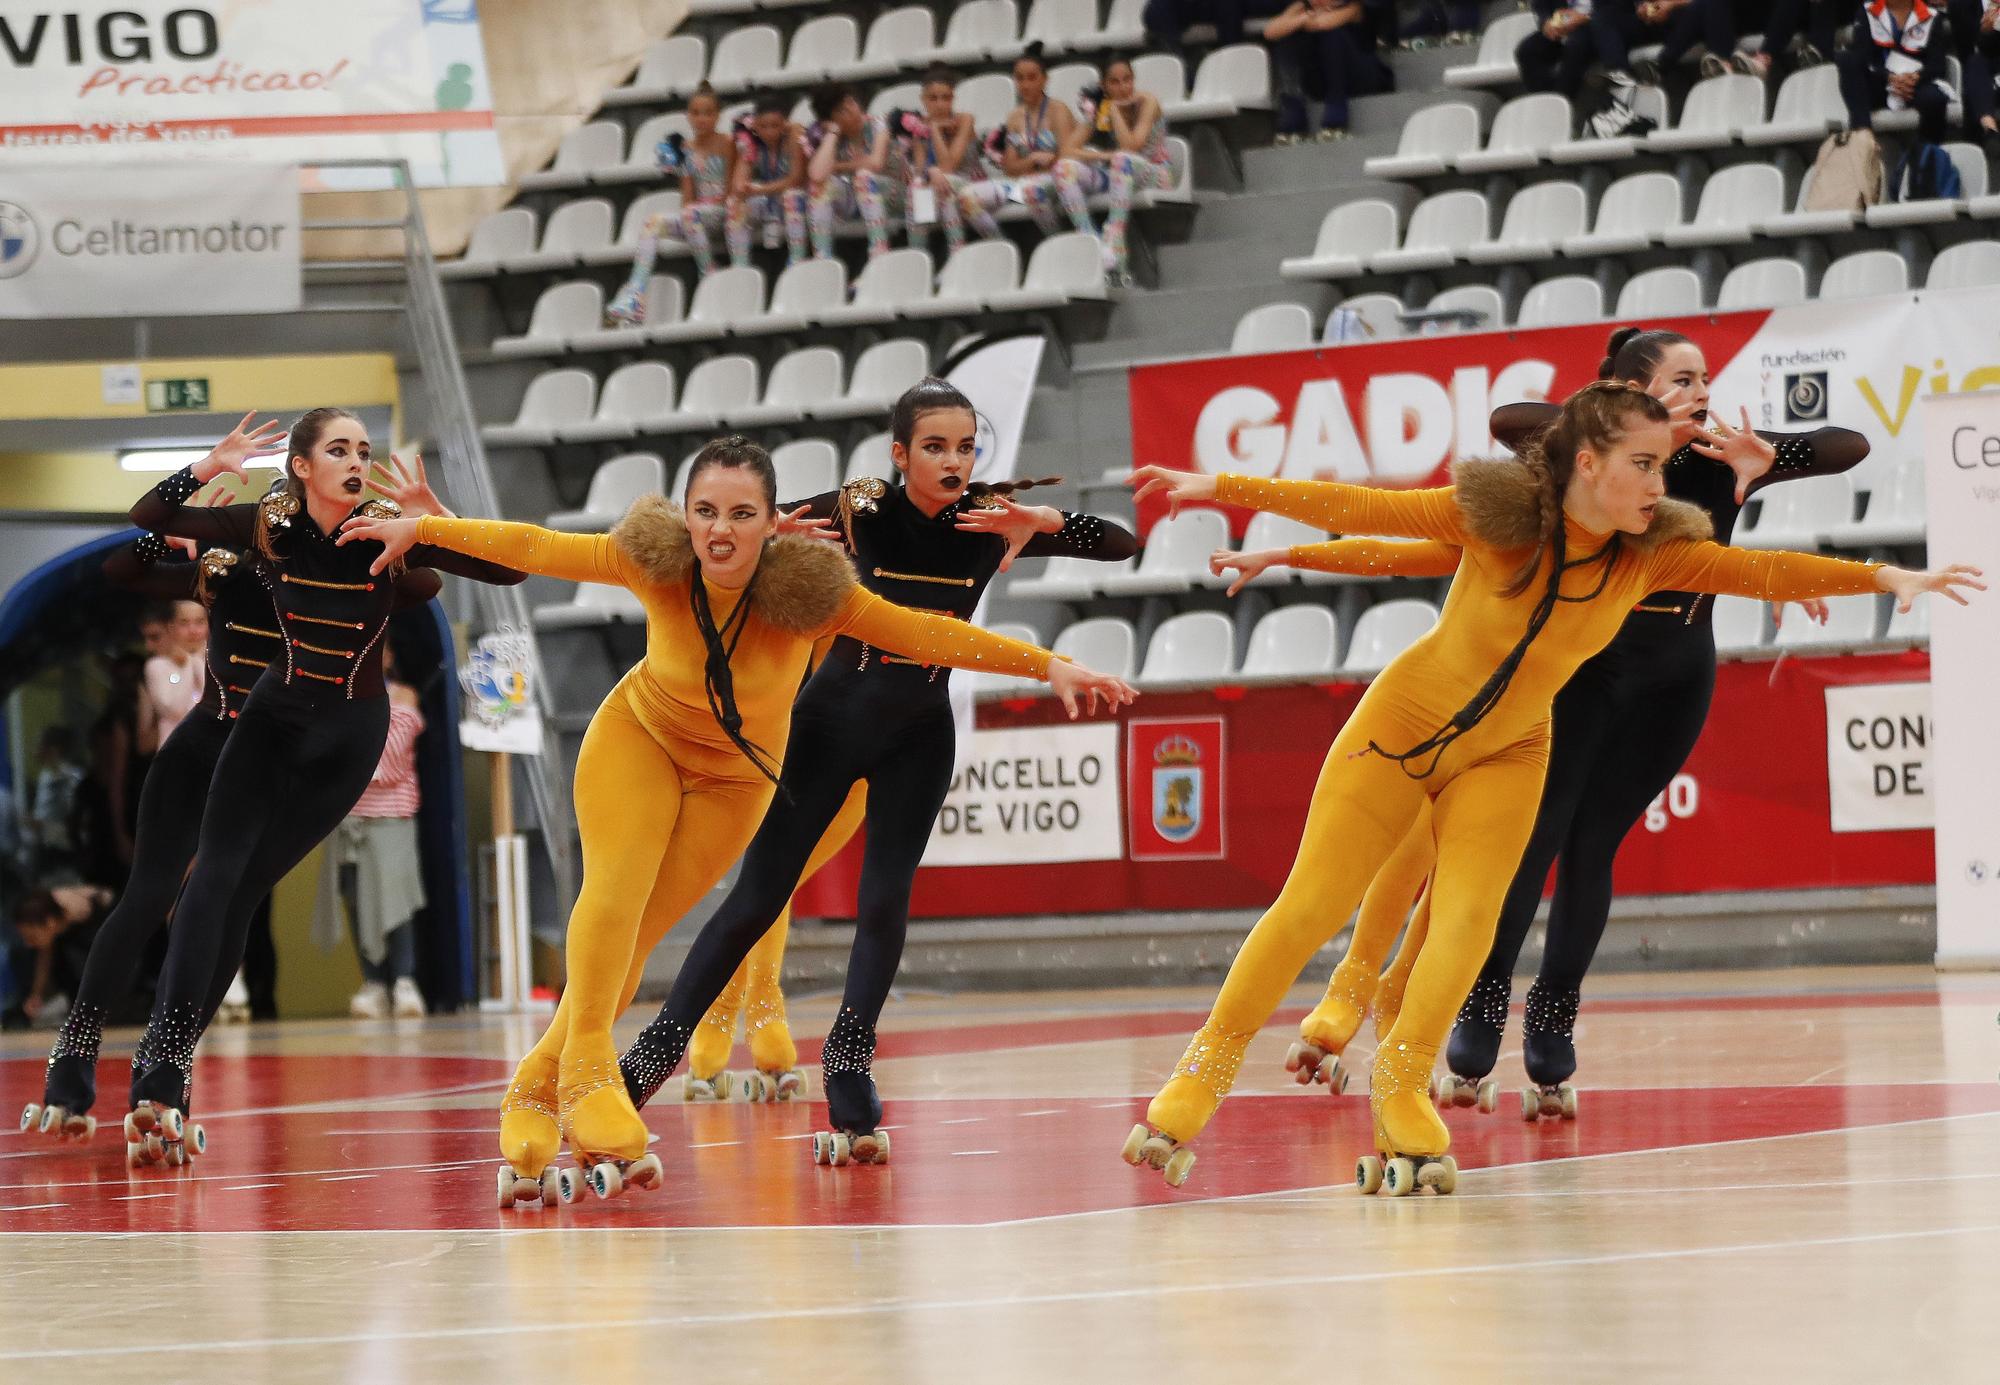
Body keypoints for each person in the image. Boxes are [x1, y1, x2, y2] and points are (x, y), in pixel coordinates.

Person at [1119, 383, 1981, 1192]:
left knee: (1466, 922)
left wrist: (1884, 577)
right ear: (1588, 464)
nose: (1660, 481)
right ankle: (1203, 1072)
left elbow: (1762, 573)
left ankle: (1404, 1087)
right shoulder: (1492, 518)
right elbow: (1360, 509)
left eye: (1662, 465)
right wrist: (1216, 483)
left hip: (1510, 753)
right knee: (1310, 906)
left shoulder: (1648, 558)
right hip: (1398, 731)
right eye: (1644, 464)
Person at [338, 434, 1138, 1206]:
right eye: (706, 511)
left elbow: (926, 632)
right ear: (685, 514)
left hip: (733, 783)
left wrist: (1048, 662)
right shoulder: (651, 559)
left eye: (741, 514)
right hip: (638, 739)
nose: (720, 530)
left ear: (773, 519)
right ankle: (587, 1078)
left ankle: (530, 1092)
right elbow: (539, 545)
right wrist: (426, 529)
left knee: (639, 940)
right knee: (612, 901)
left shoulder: (815, 596)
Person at [1277, 329, 1873, 1102]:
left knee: (1594, 847)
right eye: (1680, 380)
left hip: (1674, 680)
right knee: (1535, 837)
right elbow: (1510, 420)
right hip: (1584, 673)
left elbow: (1849, 444)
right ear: (1630, 394)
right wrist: (1622, 421)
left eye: (1703, 378)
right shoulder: (1599, 451)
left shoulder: (1732, 454)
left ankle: (1553, 1022)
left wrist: (1770, 457)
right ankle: (1484, 1004)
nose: (1700, 391)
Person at [616, 380, 1139, 1160]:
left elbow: (1123, 542)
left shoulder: (994, 516)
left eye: (966, 446)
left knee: (886, 898)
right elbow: (755, 521)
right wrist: (775, 533)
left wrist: (1046, 522)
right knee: (757, 895)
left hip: (920, 732)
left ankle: (849, 1059)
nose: (954, 461)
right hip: (828, 722)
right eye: (934, 446)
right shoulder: (864, 504)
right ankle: (651, 1056)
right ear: (900, 455)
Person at [116, 414, 521, 1165]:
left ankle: (170, 1061)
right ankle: (162, 1069)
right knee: (212, 876)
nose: (357, 461)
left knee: (244, 887)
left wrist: (445, 523)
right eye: (339, 449)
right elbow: (150, 518)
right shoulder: (267, 525)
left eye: (364, 451)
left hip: (349, 736)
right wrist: (209, 464)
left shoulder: (385, 530)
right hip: (273, 715)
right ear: (302, 467)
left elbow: (513, 570)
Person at [23, 468, 446, 1145]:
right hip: (202, 750)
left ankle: (165, 1071)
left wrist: (422, 525)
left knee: (229, 900)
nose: (284, 535)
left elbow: (426, 583)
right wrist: (175, 529)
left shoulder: (352, 576)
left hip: (269, 760)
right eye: (271, 525)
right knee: (149, 896)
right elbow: (122, 567)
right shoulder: (226, 573)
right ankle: (73, 1056)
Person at [314, 642, 429, 1021]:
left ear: (390, 656)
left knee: (396, 902)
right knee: (356, 901)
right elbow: (324, 750)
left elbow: (391, 756)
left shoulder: (404, 695)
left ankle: (405, 981)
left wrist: (352, 759)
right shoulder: (336, 695)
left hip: (391, 819)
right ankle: (374, 983)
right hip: (347, 819)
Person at [605, 83, 741, 328]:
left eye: (708, 113)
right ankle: (635, 295)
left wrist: (702, 208)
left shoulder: (727, 144)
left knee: (692, 215)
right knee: (653, 223)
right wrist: (692, 211)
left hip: (723, 214)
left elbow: (732, 191)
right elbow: (687, 196)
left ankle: (708, 276)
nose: (701, 119)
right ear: (688, 116)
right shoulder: (685, 149)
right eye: (695, 113)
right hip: (697, 217)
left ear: (718, 116)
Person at [1072, 59, 1176, 286]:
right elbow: (1068, 151)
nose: (1123, 87)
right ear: (1105, 85)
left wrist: (1115, 111)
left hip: (1156, 173)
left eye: (1127, 80)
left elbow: (1132, 146)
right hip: (1122, 176)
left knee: (1122, 159)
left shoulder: (1148, 101)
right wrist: (1098, 155)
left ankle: (1113, 237)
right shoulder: (1102, 107)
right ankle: (1091, 239)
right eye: (1115, 82)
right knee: (1067, 170)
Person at [902, 67, 1007, 258]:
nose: (940, 104)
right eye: (933, 98)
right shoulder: (919, 127)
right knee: (918, 187)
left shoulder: (965, 120)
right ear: (923, 99)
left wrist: (934, 129)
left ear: (953, 98)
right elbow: (920, 169)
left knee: (945, 182)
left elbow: (950, 164)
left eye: (946, 97)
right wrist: (931, 171)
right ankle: (917, 255)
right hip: (943, 190)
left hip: (976, 186)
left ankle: (969, 252)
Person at [997, 47, 1096, 244]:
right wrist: (1033, 159)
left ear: (1044, 79)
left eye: (1032, 78)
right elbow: (1009, 168)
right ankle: (1013, 247)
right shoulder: (1015, 117)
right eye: (1020, 78)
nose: (1025, 84)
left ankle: (1069, 241)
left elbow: (1067, 157)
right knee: (972, 199)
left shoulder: (1057, 110)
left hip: (1072, 176)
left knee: (1033, 190)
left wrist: (1029, 166)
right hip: (1034, 180)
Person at [1265, 0, 1396, 142]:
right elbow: (1270, 32)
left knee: (1332, 36)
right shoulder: (1301, 7)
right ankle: (1293, 113)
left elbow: (1322, 24)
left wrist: (1304, 20)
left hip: (1361, 77)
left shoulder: (1354, 7)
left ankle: (1336, 115)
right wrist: (1303, 17)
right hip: (1322, 81)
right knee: (1287, 42)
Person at [806, 82, 906, 262]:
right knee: (819, 188)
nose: (852, 110)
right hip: (861, 200)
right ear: (831, 119)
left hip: (896, 193)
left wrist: (837, 167)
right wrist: (833, 133)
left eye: (851, 102)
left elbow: (875, 163)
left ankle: (879, 251)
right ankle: (822, 257)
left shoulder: (878, 124)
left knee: (864, 177)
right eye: (842, 111)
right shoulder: (836, 138)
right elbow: (817, 175)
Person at [1835, 0, 1951, 146]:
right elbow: (1863, 58)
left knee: (1935, 99)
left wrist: (1915, 78)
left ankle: (1928, 156)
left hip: (1914, 85)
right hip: (1880, 83)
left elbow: (1937, 65)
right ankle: (1863, 138)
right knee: (1847, 59)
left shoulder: (1932, 16)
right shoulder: (1867, 11)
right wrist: (1889, 77)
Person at [6, 886, 112, 1035]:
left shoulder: (83, 914)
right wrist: (36, 995)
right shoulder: (50, 920)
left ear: (50, 923)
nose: (28, 944)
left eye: (32, 938)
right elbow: (45, 956)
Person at [730, 95, 812, 267]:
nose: (769, 132)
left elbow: (795, 179)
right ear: (755, 126)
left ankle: (797, 258)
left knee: (791, 197)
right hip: (771, 201)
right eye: (763, 126)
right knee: (735, 204)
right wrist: (746, 148)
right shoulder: (752, 140)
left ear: (784, 123)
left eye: (775, 126)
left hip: (800, 199)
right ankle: (740, 263)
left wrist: (760, 190)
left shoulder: (794, 135)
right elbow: (738, 185)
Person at [144, 600, 208, 747]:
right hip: (176, 752)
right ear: (171, 628)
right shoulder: (158, 666)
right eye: (184, 623)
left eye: (199, 622)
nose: (193, 630)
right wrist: (188, 663)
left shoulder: (217, 661)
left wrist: (197, 659)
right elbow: (174, 708)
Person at [27, 727, 85, 881]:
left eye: (39, 744)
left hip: (65, 855)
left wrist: (44, 825)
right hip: (45, 849)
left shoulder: (72, 778)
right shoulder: (45, 776)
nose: (33, 749)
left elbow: (77, 822)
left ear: (53, 750)